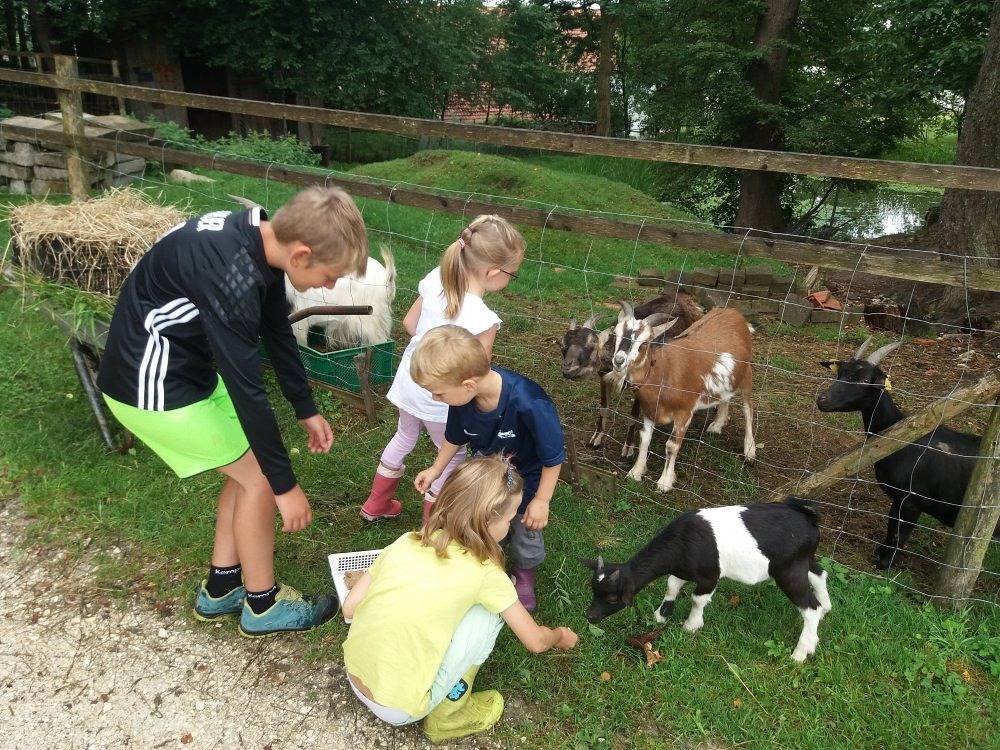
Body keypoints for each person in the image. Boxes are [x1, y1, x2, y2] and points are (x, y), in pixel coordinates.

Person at [97, 186, 368, 636]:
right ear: (301, 254)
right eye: (329, 276)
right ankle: (263, 604)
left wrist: (304, 407)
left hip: (186, 369)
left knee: (245, 472)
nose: (330, 286)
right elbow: (247, 390)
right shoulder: (232, 275)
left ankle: (222, 587)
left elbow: (275, 327)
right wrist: (285, 486)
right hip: (150, 386)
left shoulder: (260, 237)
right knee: (258, 478)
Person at [342, 457, 578, 743]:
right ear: (488, 520)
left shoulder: (407, 541)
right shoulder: (486, 573)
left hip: (354, 673)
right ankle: (448, 715)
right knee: (489, 614)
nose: (511, 524)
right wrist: (559, 635)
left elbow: (350, 608)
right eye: (509, 518)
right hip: (398, 708)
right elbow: (536, 642)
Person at [361, 215, 525, 525]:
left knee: (404, 436)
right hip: (444, 399)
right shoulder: (483, 318)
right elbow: (478, 370)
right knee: (451, 455)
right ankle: (432, 523)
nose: (510, 279)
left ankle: (376, 503)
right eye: (511, 274)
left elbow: (409, 323)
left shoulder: (436, 278)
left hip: (413, 380)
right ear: (493, 272)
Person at [412, 326, 565, 612]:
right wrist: (435, 469)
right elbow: (454, 437)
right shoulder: (463, 399)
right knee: (481, 518)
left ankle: (524, 574)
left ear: (468, 385)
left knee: (525, 527)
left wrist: (542, 501)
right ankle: (486, 564)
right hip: (487, 476)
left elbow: (553, 457)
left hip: (527, 481)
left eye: (438, 394)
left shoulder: (530, 403)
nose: (435, 399)